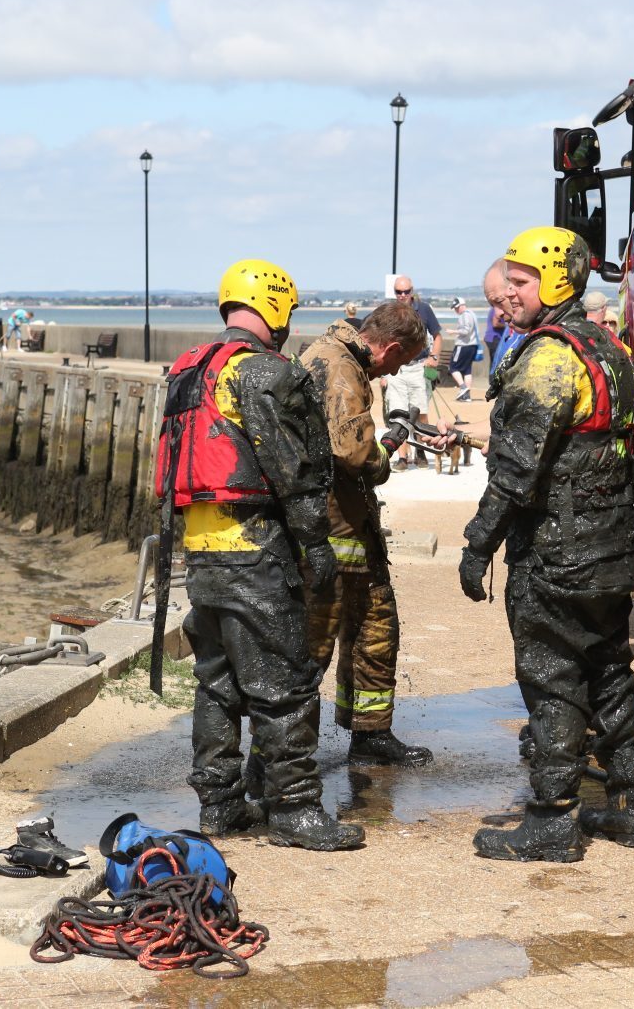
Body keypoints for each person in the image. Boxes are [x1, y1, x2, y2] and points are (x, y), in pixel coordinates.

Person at [459, 226, 634, 863]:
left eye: (519, 282)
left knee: (551, 678)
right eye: (506, 281)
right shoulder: (605, 345)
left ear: (557, 282)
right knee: (610, 670)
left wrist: (478, 544)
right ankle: (627, 807)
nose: (507, 294)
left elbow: (516, 471)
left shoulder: (546, 358)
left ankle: (552, 819)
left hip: (557, 555)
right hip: (613, 549)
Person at [161, 258, 363, 852]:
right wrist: (315, 544)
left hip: (201, 549)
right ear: (274, 306)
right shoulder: (265, 374)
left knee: (217, 683)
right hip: (254, 549)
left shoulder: (189, 369)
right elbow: (295, 472)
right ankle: (295, 809)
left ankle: (220, 805)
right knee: (286, 686)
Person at [298, 301, 441, 767]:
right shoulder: (340, 369)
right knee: (313, 647)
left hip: (348, 528)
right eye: (399, 362)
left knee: (375, 628)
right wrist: (390, 445)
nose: (391, 373)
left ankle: (371, 733)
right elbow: (356, 456)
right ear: (392, 347)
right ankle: (283, 758)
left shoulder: (328, 354)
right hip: (331, 530)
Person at [381, 276, 440, 470]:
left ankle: (421, 450)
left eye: (406, 291)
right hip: (395, 369)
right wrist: (382, 374)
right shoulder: (389, 312)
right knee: (398, 414)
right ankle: (402, 458)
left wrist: (434, 357)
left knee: (421, 412)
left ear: (412, 291)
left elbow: (437, 335)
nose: (403, 295)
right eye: (399, 292)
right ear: (394, 292)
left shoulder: (424, 309)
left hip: (418, 367)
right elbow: (380, 342)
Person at [448, 298, 479, 402]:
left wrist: (453, 331)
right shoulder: (472, 314)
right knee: (467, 370)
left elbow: (466, 331)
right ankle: (467, 396)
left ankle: (463, 388)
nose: (456, 311)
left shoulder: (465, 315)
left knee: (453, 367)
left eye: (456, 308)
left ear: (461, 305)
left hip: (463, 345)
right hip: (472, 345)